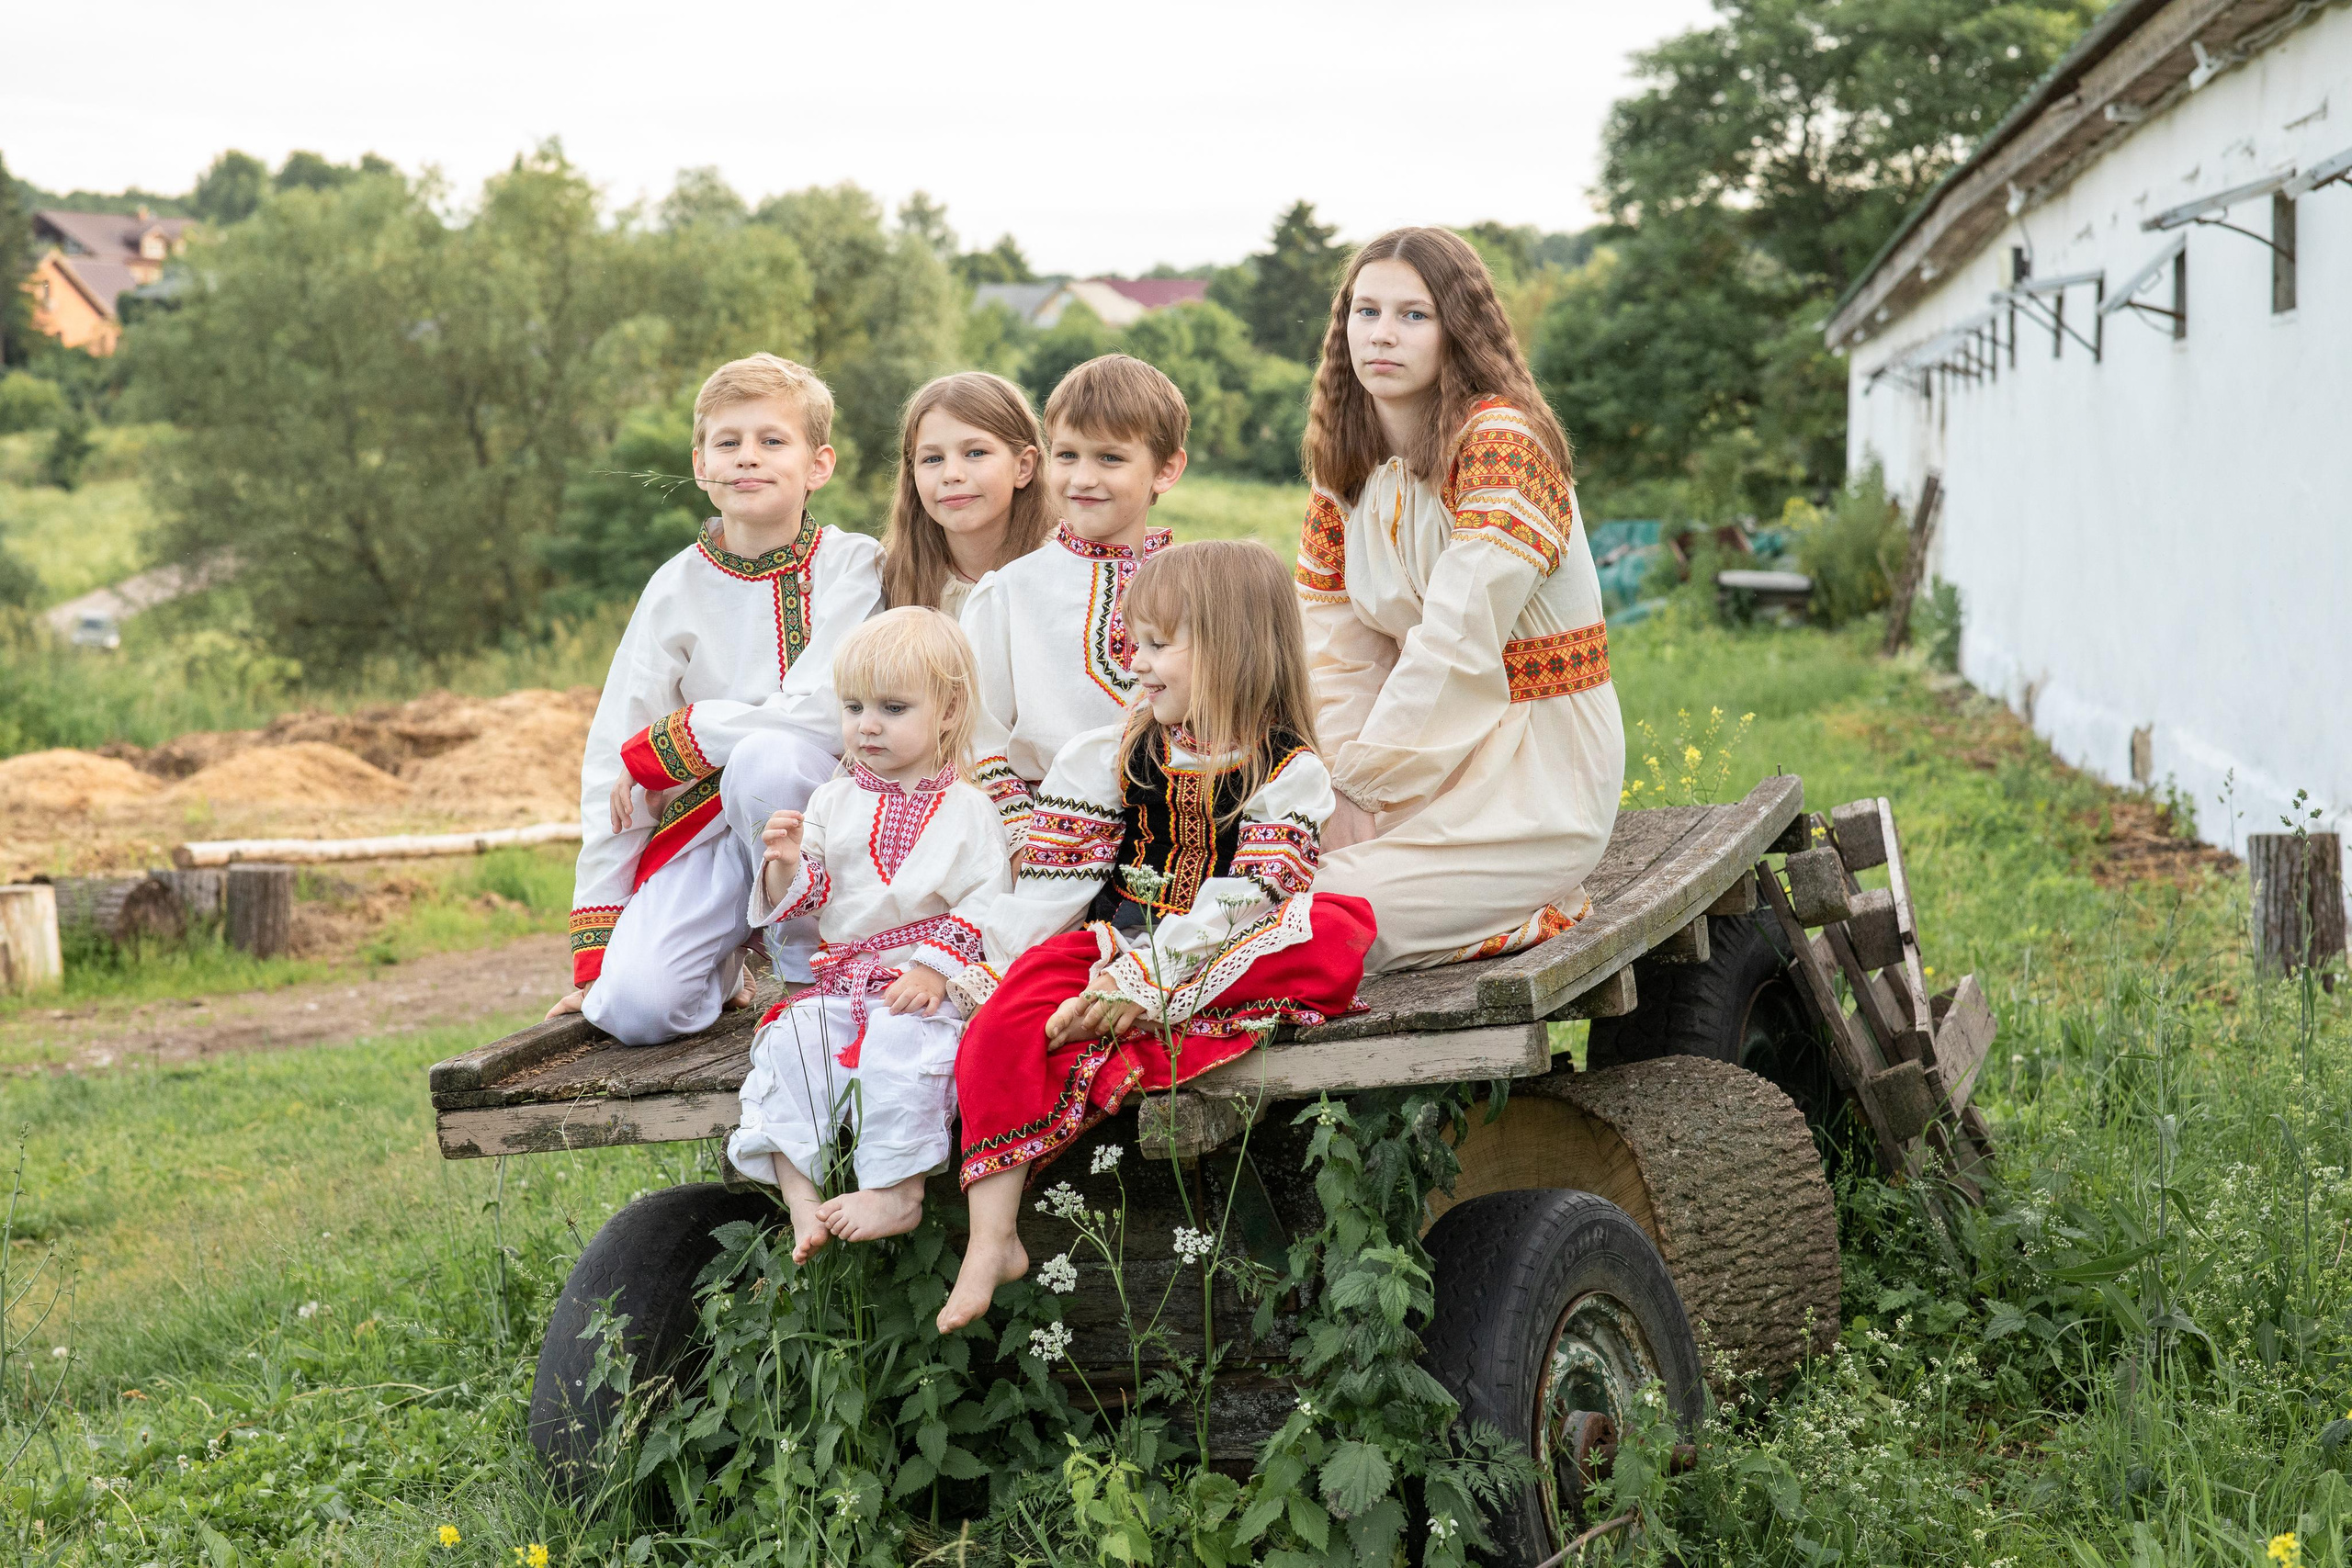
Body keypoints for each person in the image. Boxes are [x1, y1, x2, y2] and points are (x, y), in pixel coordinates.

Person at [936, 541, 1375, 1332]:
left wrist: (1152, 973)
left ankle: (1141, 1005)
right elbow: (1056, 888)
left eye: (1157, 644)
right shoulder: (1116, 752)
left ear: (1232, 646)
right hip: (1117, 935)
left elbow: (1247, 899)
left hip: (1221, 946)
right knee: (1005, 1017)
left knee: (1326, 928)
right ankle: (992, 1235)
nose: (1136, 663)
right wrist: (992, 963)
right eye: (1133, 642)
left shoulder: (1287, 770)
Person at [1295, 228, 1623, 974]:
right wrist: (1333, 790)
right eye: (1366, 311)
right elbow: (1335, 658)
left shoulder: (1503, 446)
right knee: (1252, 877)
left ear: (1458, 329)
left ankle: (1529, 903)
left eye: (1413, 315)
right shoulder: (1344, 468)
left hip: (1534, 781)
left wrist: (1362, 786)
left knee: (1318, 914)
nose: (1382, 334)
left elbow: (1456, 642)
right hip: (1413, 765)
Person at [554, 354, 884, 1043]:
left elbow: (829, 714)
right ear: (701, 466)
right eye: (728, 442)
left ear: (818, 465)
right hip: (709, 831)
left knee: (768, 761)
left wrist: (684, 737)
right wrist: (596, 951)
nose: (747, 457)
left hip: (831, 824)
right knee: (634, 1008)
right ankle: (726, 965)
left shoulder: (854, 564)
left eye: (772, 440)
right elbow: (613, 759)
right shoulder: (674, 588)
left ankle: (807, 971)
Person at [728, 607, 1011, 1261]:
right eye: (853, 707)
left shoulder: (969, 808)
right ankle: (801, 1195)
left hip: (920, 986)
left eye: (892, 707)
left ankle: (897, 1190)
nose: (867, 725)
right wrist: (788, 864)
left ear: (948, 710)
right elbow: (815, 891)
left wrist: (935, 969)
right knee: (791, 1044)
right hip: (843, 983)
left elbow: (986, 899)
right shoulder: (835, 799)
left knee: (903, 1047)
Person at [958, 354, 1188, 851]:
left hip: (1183, 833)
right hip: (1047, 838)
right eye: (1066, 456)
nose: (1082, 478)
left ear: (1166, 469)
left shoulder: (1200, 590)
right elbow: (979, 739)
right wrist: (1024, 842)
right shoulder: (1010, 592)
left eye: (1110, 458)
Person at [881, 371, 1054, 620]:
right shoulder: (890, 578)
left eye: (975, 453)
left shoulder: (1065, 568)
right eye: (933, 459)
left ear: (1023, 466)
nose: (951, 474)